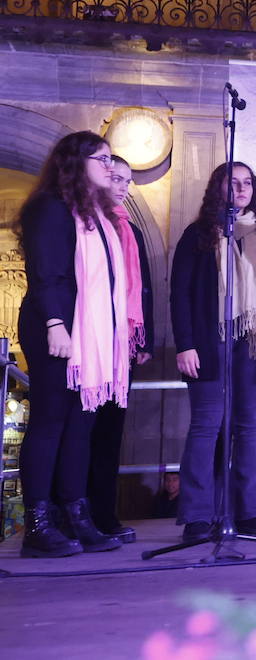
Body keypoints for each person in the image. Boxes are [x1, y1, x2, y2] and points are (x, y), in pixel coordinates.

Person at [17, 131, 131, 557]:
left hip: (91, 335)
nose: (108, 166)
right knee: (50, 422)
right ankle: (38, 524)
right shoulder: (50, 208)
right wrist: (55, 323)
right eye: (100, 158)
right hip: (58, 329)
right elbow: (48, 271)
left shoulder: (98, 215)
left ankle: (76, 514)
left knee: (81, 425)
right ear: (74, 162)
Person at [171, 162, 256, 543]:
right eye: (232, 182)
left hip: (255, 342)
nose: (240, 188)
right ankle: (198, 515)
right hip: (208, 342)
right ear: (217, 189)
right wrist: (185, 343)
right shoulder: (198, 235)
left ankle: (252, 512)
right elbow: (181, 294)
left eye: (247, 183)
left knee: (250, 428)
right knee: (206, 426)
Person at [86, 154, 154, 544]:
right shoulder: (87, 221)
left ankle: (104, 514)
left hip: (122, 345)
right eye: (116, 177)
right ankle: (76, 514)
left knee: (112, 433)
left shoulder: (131, 228)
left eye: (128, 180)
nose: (123, 186)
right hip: (92, 341)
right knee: (84, 432)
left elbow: (144, 286)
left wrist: (142, 339)